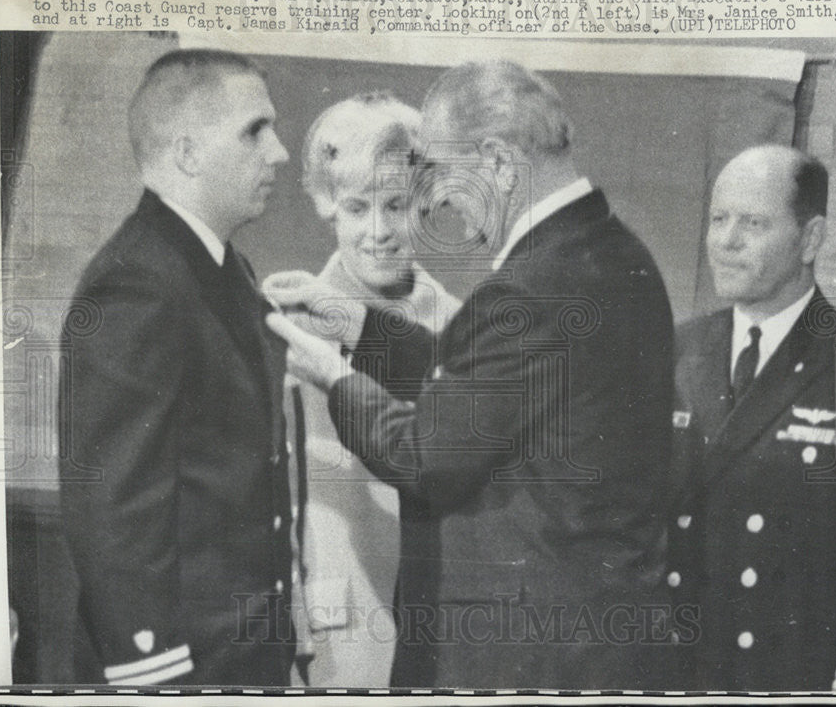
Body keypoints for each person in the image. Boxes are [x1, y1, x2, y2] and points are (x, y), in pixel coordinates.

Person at [266, 60, 678, 689]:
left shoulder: (528, 289)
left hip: (531, 651)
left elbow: (429, 455)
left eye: (443, 176)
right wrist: (357, 322)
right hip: (586, 640)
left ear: (501, 164)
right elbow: (487, 387)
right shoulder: (615, 253)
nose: (442, 205)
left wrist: (334, 376)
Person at [58, 49, 297, 686]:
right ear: (188, 154)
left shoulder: (220, 268)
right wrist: (153, 671)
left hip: (241, 654)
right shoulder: (137, 280)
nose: (278, 152)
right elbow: (113, 504)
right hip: (182, 667)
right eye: (255, 130)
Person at [667, 145, 836, 692]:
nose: (726, 241)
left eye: (753, 223)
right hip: (675, 672)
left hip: (785, 679)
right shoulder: (677, 351)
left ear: (810, 238)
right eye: (718, 219)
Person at [262, 93, 460, 686]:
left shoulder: (463, 330)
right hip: (328, 636)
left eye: (396, 206)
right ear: (328, 207)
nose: (378, 231)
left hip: (439, 639)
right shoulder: (288, 335)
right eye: (356, 207)